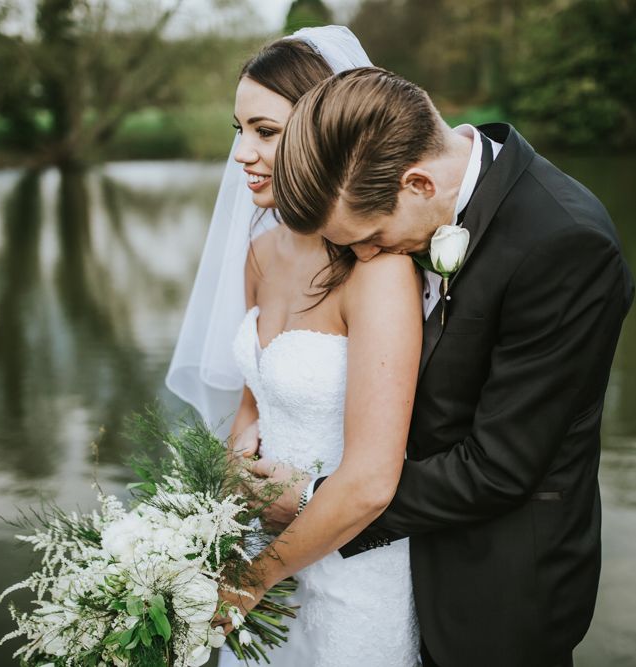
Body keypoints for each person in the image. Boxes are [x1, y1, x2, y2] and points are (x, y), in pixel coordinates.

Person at [245, 66, 635, 667]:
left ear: (420, 184)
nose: (366, 258)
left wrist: (318, 500)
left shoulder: (566, 243)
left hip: (492, 590)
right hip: (383, 571)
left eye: (369, 237)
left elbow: (500, 468)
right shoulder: (414, 202)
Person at [166, 27, 422, 667]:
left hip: (351, 568)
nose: (241, 154)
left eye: (265, 131)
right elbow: (258, 392)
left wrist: (249, 583)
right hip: (258, 552)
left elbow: (372, 479)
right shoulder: (259, 251)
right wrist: (234, 463)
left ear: (322, 133)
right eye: (238, 129)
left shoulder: (377, 270)